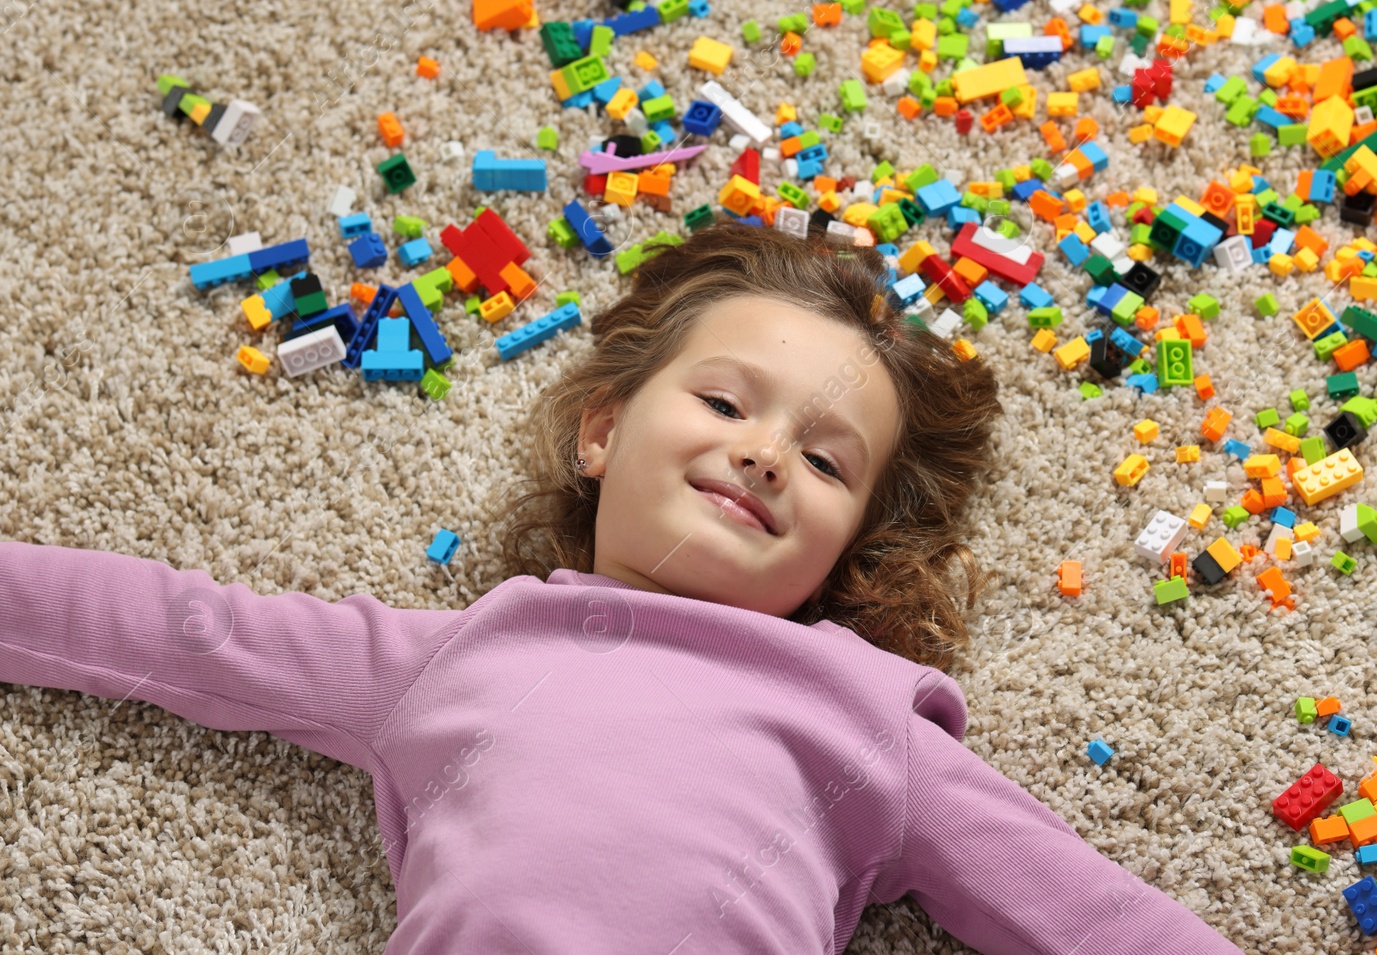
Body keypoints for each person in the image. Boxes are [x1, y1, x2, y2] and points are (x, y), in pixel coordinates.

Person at [0, 220, 1244, 953]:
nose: (763, 450)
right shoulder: (469, 647)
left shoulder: (861, 708)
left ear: (849, 552)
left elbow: (1091, 913)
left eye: (822, 460)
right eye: (721, 401)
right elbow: (185, 630)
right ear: (602, 431)